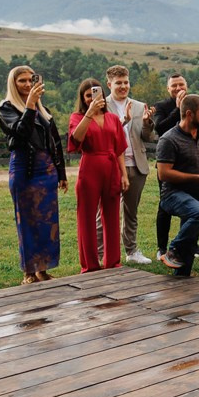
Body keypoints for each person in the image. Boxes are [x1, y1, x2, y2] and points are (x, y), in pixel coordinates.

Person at [0, 64, 67, 282]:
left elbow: (55, 142)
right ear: (13, 83)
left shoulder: (43, 110)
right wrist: (29, 106)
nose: (28, 84)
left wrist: (61, 173)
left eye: (30, 80)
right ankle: (29, 272)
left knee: (48, 222)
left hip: (47, 170)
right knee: (27, 222)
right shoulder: (6, 108)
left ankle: (43, 269)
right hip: (24, 170)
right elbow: (20, 135)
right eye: (22, 81)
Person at [156, 94, 199, 277]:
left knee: (188, 248)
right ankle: (172, 249)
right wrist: (198, 178)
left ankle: (181, 280)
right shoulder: (169, 140)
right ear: (190, 114)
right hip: (173, 195)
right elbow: (163, 173)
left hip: (197, 194)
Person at [68, 77, 127, 272]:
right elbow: (76, 139)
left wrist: (124, 175)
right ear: (82, 98)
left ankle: (112, 262)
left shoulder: (112, 118)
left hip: (111, 167)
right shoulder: (77, 117)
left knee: (112, 216)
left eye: (95, 94)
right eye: (88, 95)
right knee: (86, 216)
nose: (92, 98)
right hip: (90, 167)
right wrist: (89, 114)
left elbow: (119, 149)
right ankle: (90, 265)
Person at [105, 66, 154, 264]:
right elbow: (105, 134)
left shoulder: (139, 106)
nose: (123, 86)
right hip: (112, 165)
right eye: (119, 83)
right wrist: (123, 120)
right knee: (105, 212)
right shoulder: (101, 105)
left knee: (131, 212)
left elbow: (146, 137)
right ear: (109, 84)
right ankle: (102, 253)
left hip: (136, 164)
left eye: (126, 82)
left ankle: (132, 251)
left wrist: (147, 123)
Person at [152, 73, 188, 253]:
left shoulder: (194, 102)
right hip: (167, 162)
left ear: (186, 86)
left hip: (189, 162)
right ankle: (162, 247)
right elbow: (160, 128)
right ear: (168, 89)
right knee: (165, 204)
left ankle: (187, 243)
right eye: (174, 85)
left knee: (192, 202)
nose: (178, 88)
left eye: (181, 84)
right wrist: (178, 108)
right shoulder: (161, 106)